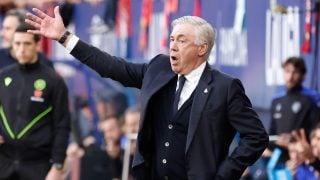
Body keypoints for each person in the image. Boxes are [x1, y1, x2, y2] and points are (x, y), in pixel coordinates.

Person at [26, 6, 269, 179]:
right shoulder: (158, 68)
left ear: (202, 49)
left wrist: (225, 174)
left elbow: (256, 137)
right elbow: (111, 67)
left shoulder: (225, 88)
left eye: (182, 40)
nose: (173, 45)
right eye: (172, 39)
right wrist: (65, 38)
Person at [0, 23, 70, 180]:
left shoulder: (54, 81)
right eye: (17, 43)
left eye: (27, 43)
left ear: (38, 45)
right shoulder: (3, 76)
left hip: (38, 164)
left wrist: (58, 165)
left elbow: (63, 125)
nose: (21, 49)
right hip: (4, 162)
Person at [269, 57, 320, 136]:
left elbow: (315, 130)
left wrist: (292, 140)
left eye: (295, 72)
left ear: (303, 76)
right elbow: (272, 131)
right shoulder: (276, 100)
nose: (290, 77)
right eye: (287, 71)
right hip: (278, 147)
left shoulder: (312, 98)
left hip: (302, 147)